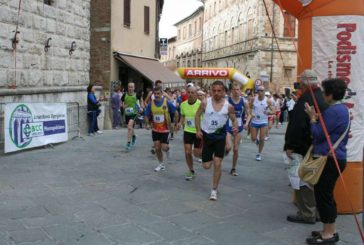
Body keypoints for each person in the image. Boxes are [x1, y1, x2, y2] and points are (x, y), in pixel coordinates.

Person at [304, 78, 350, 245]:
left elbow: (317, 134)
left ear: (330, 95)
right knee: (327, 195)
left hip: (329, 160)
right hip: (336, 158)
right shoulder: (342, 109)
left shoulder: (333, 111)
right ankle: (329, 229)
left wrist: (312, 118)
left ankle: (328, 234)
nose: (322, 95)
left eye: (324, 92)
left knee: (324, 196)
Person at [285, 69, 329, 225]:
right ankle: (316, 211)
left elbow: (297, 126)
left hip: (304, 147)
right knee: (315, 180)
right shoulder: (321, 98)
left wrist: (290, 145)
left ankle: (307, 213)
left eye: (300, 82)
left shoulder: (306, 99)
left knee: (303, 180)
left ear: (304, 83)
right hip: (319, 145)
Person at [195, 80, 238, 201]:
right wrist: (198, 130)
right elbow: (197, 115)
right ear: (211, 91)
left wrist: (234, 126)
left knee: (218, 163)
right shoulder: (205, 102)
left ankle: (214, 190)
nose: (216, 93)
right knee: (206, 166)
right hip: (207, 137)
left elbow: (234, 119)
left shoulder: (228, 106)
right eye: (214, 91)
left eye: (219, 91)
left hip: (220, 138)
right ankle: (214, 157)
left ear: (224, 91)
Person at [145, 86, 177, 172]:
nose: (156, 95)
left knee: (164, 147)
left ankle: (167, 150)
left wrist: (176, 124)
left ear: (162, 94)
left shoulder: (167, 103)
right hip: (155, 129)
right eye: (155, 94)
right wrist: (147, 124)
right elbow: (146, 115)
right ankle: (161, 164)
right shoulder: (151, 104)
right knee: (157, 148)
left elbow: (176, 112)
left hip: (165, 130)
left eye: (158, 93)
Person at [225, 83, 251, 176]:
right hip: (228, 125)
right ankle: (226, 150)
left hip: (239, 126)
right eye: (234, 89)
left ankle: (233, 168)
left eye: (238, 89)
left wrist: (246, 123)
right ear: (231, 91)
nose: (236, 91)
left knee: (236, 149)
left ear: (240, 91)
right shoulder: (227, 100)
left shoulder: (244, 101)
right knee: (228, 147)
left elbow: (249, 114)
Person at [178, 85, 202, 180]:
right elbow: (183, 116)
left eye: (193, 93)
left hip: (198, 131)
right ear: (186, 93)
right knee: (187, 152)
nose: (191, 94)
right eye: (189, 92)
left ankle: (204, 154)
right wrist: (180, 123)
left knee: (196, 153)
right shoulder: (183, 104)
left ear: (196, 94)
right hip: (187, 131)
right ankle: (191, 170)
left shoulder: (201, 104)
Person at [250, 86, 275, 161]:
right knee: (253, 138)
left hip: (263, 121)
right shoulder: (253, 99)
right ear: (257, 92)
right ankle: (257, 141)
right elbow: (249, 107)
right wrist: (251, 113)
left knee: (262, 138)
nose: (261, 92)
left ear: (264, 92)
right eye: (259, 90)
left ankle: (259, 154)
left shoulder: (268, 100)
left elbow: (273, 111)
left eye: (262, 91)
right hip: (254, 121)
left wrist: (268, 112)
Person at [121, 82, 142, 151]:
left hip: (134, 114)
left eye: (132, 87)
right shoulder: (124, 95)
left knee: (129, 127)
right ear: (128, 87)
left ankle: (128, 143)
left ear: (134, 88)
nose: (130, 88)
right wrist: (123, 106)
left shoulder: (137, 95)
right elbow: (121, 104)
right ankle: (134, 136)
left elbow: (141, 101)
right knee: (131, 128)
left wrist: (141, 107)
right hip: (127, 114)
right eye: (129, 87)